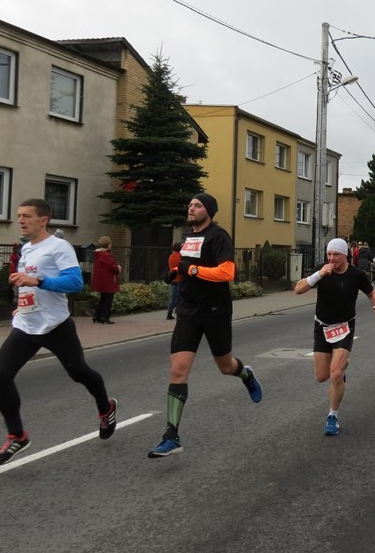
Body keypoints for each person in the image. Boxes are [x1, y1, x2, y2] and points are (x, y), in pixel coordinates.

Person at [0, 199, 117, 465]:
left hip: (55, 325)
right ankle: (17, 436)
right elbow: (28, 284)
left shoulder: (59, 247)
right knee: (0, 377)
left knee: (79, 373)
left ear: (43, 220)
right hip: (26, 325)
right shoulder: (26, 248)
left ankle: (106, 407)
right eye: (19, 215)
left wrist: (38, 281)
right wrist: (22, 303)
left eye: (27, 216)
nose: (21, 220)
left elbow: (75, 282)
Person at [147, 193, 263, 458]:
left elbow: (227, 272)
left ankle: (246, 375)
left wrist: (191, 271)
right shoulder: (187, 236)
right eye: (190, 205)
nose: (191, 208)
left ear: (208, 211)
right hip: (188, 311)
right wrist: (176, 273)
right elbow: (189, 266)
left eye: (197, 205)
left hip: (215, 311)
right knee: (178, 370)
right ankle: (171, 436)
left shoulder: (218, 236)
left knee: (225, 366)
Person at [295, 238, 375, 435]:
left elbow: (372, 293)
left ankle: (332, 416)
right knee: (321, 376)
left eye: (336, 254)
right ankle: (340, 370)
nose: (332, 258)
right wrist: (318, 275)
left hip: (344, 327)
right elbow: (298, 289)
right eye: (329, 254)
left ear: (345, 255)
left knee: (335, 373)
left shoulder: (356, 275)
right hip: (322, 326)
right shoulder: (322, 270)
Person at [90, 236, 121, 325]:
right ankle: (104, 317)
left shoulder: (98, 254)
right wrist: (118, 268)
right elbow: (113, 267)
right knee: (108, 299)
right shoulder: (106, 255)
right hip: (108, 280)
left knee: (103, 298)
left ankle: (97, 316)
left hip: (101, 280)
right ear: (108, 244)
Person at [166, 241, 182, 320]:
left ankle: (169, 313)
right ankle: (179, 313)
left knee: (173, 297)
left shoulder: (171, 256)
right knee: (180, 298)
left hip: (173, 279)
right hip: (181, 279)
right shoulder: (181, 256)